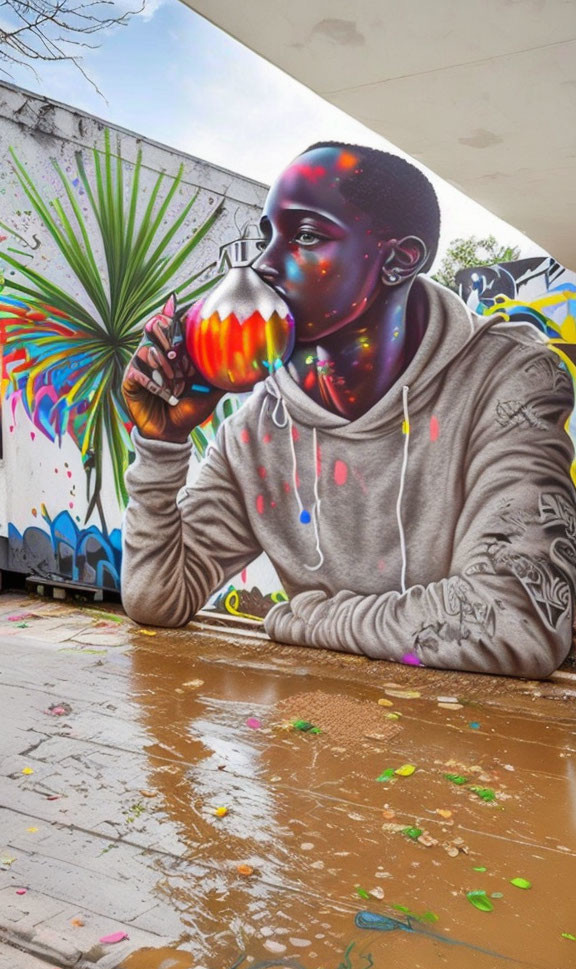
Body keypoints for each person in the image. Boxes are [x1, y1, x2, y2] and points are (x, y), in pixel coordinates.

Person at [121, 142, 576, 678]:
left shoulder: (507, 378)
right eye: (267, 237)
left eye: (306, 236)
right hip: (315, 740)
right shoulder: (259, 427)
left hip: (484, 742)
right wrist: (162, 444)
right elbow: (155, 599)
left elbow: (516, 624)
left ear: (400, 259)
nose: (263, 265)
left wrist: (306, 621)